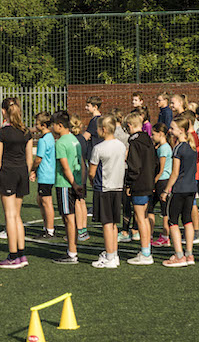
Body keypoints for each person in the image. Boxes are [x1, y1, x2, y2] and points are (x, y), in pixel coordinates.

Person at [0, 98, 33, 268]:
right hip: (22, 173)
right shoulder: (26, 132)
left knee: (9, 215)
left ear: (3, 111)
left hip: (8, 174)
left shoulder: (1, 133)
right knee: (17, 216)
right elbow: (29, 159)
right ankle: (21, 255)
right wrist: (26, 174)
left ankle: (13, 256)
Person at [89, 115, 128, 268]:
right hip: (117, 187)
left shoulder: (99, 148)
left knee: (106, 223)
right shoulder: (121, 146)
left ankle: (110, 256)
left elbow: (92, 172)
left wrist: (92, 182)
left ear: (103, 129)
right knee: (113, 223)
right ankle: (113, 254)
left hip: (104, 188)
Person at [161, 114, 198, 267]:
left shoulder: (178, 148)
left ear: (181, 130)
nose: (170, 131)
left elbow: (175, 173)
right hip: (191, 188)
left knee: (173, 221)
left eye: (172, 128)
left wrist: (166, 190)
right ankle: (189, 254)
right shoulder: (192, 147)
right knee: (187, 220)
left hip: (179, 189)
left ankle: (179, 255)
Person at [52, 111, 85, 265]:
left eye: (53, 125)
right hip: (76, 183)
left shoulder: (60, 143)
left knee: (68, 218)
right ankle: (72, 250)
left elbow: (65, 167)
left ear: (60, 125)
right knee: (71, 217)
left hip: (65, 185)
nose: (52, 128)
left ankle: (72, 253)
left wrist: (74, 184)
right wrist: (80, 182)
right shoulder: (75, 140)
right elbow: (82, 163)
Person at [123, 111, 156, 266]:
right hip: (148, 181)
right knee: (144, 217)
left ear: (130, 125)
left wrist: (129, 183)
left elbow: (134, 166)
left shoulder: (134, 142)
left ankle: (145, 252)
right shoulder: (148, 139)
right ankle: (146, 249)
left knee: (140, 217)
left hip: (139, 183)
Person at [30, 112, 57, 240]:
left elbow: (38, 159)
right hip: (48, 174)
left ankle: (49, 230)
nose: (35, 126)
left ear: (43, 125)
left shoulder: (43, 140)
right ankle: (46, 227)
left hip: (45, 175)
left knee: (46, 202)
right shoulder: (50, 137)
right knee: (41, 200)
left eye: (37, 124)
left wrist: (32, 169)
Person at [151, 123, 173, 247]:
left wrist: (153, 182)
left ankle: (165, 236)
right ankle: (151, 234)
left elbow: (161, 169)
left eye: (154, 134)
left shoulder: (164, 148)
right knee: (151, 208)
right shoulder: (161, 147)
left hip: (162, 181)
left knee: (164, 211)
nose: (152, 136)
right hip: (162, 180)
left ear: (160, 134)